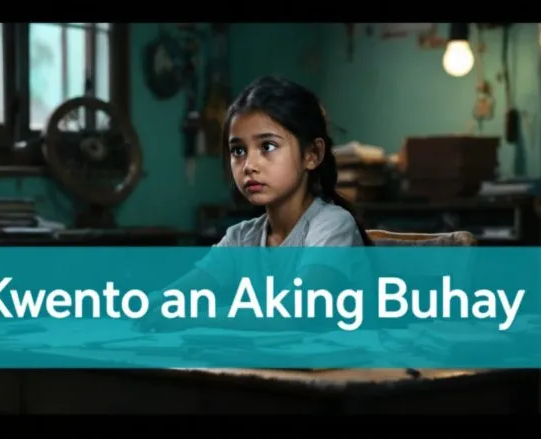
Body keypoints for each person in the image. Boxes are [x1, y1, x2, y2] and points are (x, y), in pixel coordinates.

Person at [136, 76, 372, 333]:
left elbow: (296, 313)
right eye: (238, 151)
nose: (249, 165)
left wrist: (192, 318)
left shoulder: (332, 225)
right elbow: (175, 297)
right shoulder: (241, 238)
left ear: (312, 155)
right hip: (280, 368)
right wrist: (150, 304)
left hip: (347, 369)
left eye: (267, 146)